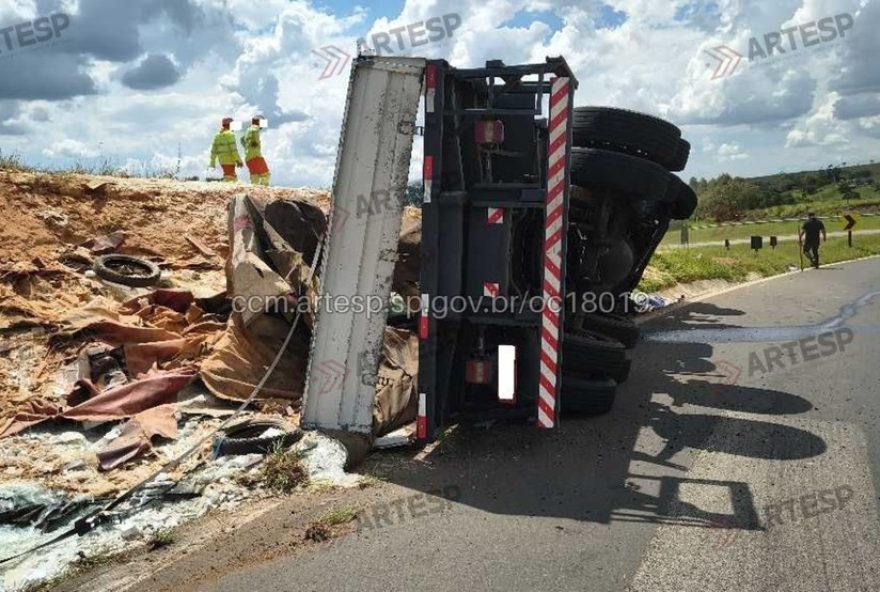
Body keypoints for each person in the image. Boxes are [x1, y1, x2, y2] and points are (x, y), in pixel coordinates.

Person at [209, 117, 243, 182]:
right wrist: (239, 160)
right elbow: (234, 150)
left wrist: (212, 163)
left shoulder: (217, 136)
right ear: (229, 125)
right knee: (229, 177)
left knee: (232, 176)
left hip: (222, 160)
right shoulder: (230, 134)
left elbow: (213, 151)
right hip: (229, 159)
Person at [242, 115, 271, 186]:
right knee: (265, 174)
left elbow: (242, 140)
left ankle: (254, 190)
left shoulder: (247, 130)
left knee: (255, 176)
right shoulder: (255, 128)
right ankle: (264, 191)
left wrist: (247, 147)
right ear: (259, 122)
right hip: (256, 156)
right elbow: (255, 130)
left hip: (248, 157)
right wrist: (255, 141)